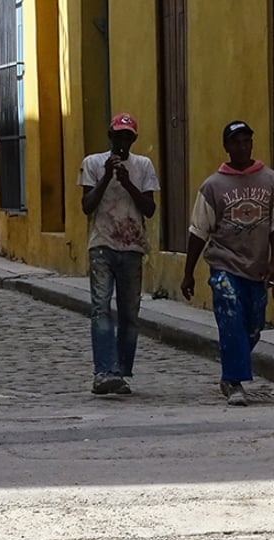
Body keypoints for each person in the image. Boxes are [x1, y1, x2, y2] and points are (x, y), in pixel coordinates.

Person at [180, 121, 274, 406]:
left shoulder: (272, 181)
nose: (242, 146)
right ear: (226, 147)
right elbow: (198, 231)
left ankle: (234, 363)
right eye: (235, 142)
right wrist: (188, 272)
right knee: (230, 316)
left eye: (246, 141)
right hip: (224, 264)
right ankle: (234, 381)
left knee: (253, 324)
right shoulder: (213, 186)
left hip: (257, 267)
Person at [78, 113, 160, 395]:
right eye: (118, 136)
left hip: (132, 247)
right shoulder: (91, 163)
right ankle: (104, 371)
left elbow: (149, 209)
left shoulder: (143, 166)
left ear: (133, 140)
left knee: (129, 313)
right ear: (110, 136)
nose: (122, 141)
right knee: (101, 308)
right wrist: (105, 178)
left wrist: (127, 183)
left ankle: (121, 370)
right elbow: (87, 205)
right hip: (101, 244)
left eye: (128, 137)